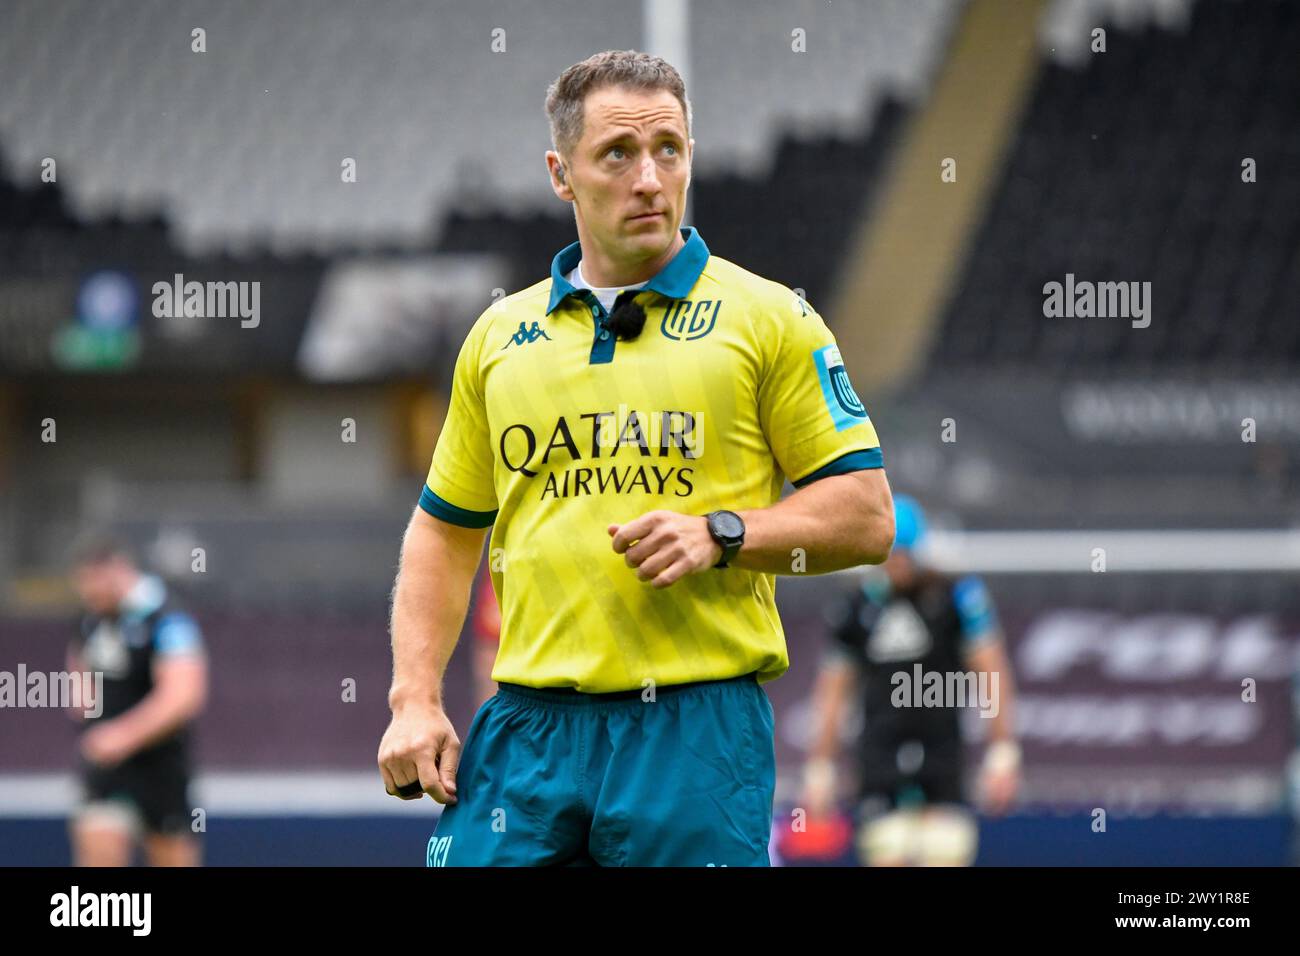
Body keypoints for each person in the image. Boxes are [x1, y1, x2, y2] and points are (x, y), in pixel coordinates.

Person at [378, 49, 893, 867]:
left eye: (670, 150)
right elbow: (443, 532)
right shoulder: (498, 340)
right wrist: (413, 699)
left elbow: (867, 516)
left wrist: (721, 532)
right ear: (562, 173)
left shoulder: (771, 320)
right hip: (528, 733)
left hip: (693, 733)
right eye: (618, 154)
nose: (650, 178)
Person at [800, 495, 1021, 866]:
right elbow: (833, 692)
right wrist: (819, 768)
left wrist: (1002, 754)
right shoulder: (856, 608)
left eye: (901, 556)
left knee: (943, 854)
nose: (894, 566)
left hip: (943, 758)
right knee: (887, 852)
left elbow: (991, 672)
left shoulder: (956, 598)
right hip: (879, 761)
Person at [66, 532, 208, 866]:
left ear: (117, 571)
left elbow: (184, 695)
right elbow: (78, 670)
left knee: (172, 856)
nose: (89, 596)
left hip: (161, 768)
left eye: (94, 585)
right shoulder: (91, 619)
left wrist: (121, 736)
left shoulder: (168, 618)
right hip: (107, 770)